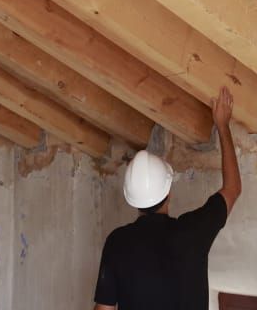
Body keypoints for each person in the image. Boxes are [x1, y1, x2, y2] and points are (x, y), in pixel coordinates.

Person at [93, 85, 242, 310]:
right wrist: (222, 125)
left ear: (131, 199)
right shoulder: (193, 232)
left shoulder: (118, 242)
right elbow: (233, 188)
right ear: (168, 193)